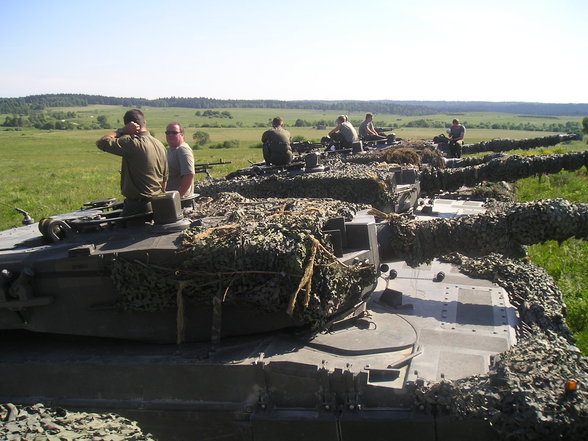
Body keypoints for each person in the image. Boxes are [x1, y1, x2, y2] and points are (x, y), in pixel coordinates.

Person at [96, 109, 168, 216]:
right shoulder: (160, 144)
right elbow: (164, 180)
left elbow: (101, 142)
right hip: (157, 203)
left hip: (138, 206)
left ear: (130, 125)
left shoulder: (134, 144)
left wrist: (121, 131)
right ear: (145, 122)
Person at [165, 122, 194, 198]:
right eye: (168, 133)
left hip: (182, 201)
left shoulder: (183, 150)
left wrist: (178, 197)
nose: (170, 135)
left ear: (182, 134)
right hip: (171, 197)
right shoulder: (171, 150)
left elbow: (189, 175)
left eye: (174, 133)